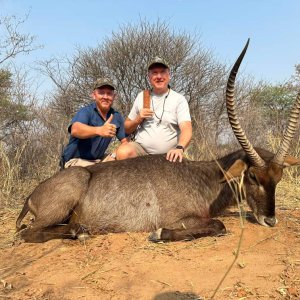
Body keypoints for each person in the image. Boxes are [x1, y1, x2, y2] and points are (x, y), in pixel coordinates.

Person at [116, 57, 192, 162]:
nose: (159, 76)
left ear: (169, 75)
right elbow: (126, 128)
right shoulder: (142, 96)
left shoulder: (179, 99)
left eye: (162, 72)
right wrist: (138, 119)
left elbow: (186, 129)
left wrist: (179, 148)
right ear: (149, 77)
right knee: (123, 152)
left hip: (168, 154)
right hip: (141, 151)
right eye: (154, 73)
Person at [61, 78, 127, 168]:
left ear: (114, 96)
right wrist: (99, 130)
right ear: (93, 95)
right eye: (101, 92)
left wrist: (114, 154)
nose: (105, 97)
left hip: (98, 161)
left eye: (109, 93)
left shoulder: (116, 116)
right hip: (77, 161)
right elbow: (75, 129)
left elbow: (125, 142)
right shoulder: (86, 111)